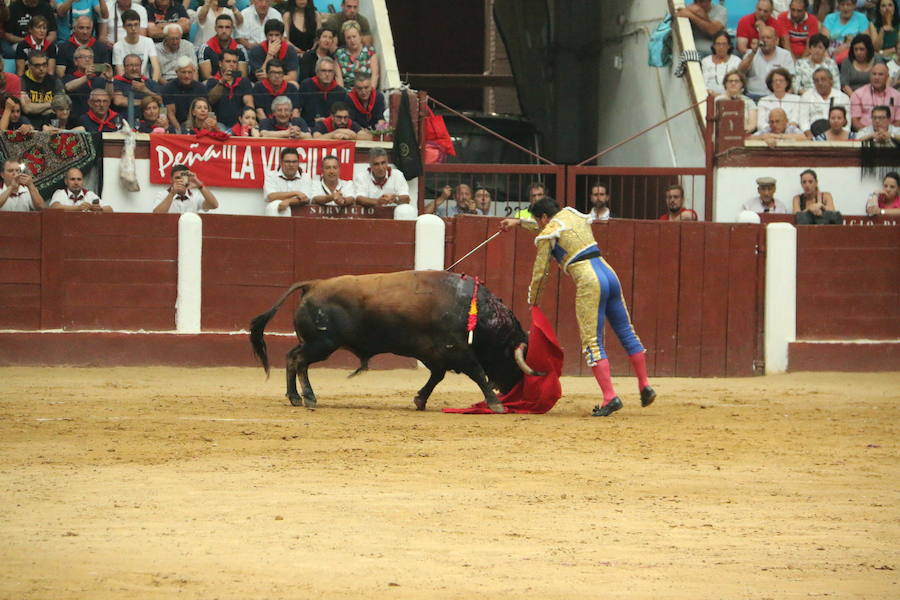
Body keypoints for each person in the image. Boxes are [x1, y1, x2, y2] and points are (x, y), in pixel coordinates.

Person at [525, 197, 655, 417]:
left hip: (589, 280)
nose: (538, 226)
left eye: (538, 221)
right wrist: (517, 223)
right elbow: (551, 229)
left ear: (544, 218)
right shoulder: (572, 214)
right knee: (626, 331)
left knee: (592, 342)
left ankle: (609, 397)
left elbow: (540, 273)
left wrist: (533, 300)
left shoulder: (548, 232)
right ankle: (644, 385)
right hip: (608, 273)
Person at [739, 25, 795, 101]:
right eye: (762, 38)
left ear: (776, 40)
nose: (765, 40)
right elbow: (740, 71)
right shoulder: (751, 54)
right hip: (753, 96)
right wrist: (753, 53)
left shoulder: (785, 55)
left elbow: (790, 80)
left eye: (768, 38)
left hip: (776, 97)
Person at [206, 48, 253, 128]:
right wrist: (222, 81)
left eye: (234, 62)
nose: (232, 64)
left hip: (240, 125)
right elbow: (210, 100)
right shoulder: (212, 81)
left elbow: (249, 105)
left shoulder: (243, 81)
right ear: (220, 63)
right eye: (228, 61)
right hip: (218, 125)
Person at [799, 66, 851, 135]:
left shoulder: (843, 97)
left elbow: (846, 123)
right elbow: (803, 120)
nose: (820, 83)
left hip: (837, 136)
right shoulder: (807, 96)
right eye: (816, 81)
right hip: (813, 135)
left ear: (831, 81)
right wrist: (810, 137)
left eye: (823, 79)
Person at [20, 51, 65, 129]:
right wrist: (51, 104)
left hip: (51, 122)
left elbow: (61, 106)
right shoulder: (22, 81)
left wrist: (36, 107)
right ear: (29, 66)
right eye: (37, 65)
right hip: (29, 123)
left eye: (44, 65)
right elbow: (27, 109)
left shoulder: (55, 81)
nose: (41, 68)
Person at [112, 9, 160, 80]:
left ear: (140, 25)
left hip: (145, 82)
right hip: (126, 84)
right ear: (124, 27)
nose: (133, 28)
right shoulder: (117, 46)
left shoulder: (148, 41)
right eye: (129, 25)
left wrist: (153, 84)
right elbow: (120, 72)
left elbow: (156, 68)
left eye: (136, 24)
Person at [62, 46, 111, 116]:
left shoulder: (99, 79)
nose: (87, 60)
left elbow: (109, 96)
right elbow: (68, 87)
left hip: (97, 117)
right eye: (83, 57)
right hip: (76, 116)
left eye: (90, 57)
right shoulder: (69, 77)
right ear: (75, 61)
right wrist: (86, 77)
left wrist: (110, 80)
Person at [198, 14, 249, 80]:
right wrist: (223, 81)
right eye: (220, 27)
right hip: (214, 86)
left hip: (234, 86)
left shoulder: (240, 49)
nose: (224, 31)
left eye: (227, 27)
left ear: (232, 29)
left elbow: (243, 76)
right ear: (215, 28)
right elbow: (207, 77)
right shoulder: (206, 48)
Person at [112, 53, 162, 119]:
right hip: (124, 120)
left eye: (137, 65)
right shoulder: (117, 81)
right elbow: (119, 101)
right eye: (130, 65)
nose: (134, 68)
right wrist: (146, 102)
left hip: (148, 121)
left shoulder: (151, 83)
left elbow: (159, 101)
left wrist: (145, 90)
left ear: (141, 66)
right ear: (124, 67)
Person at [162, 57, 207, 132]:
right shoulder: (169, 88)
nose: (187, 76)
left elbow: (205, 111)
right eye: (183, 72)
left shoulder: (201, 88)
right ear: (177, 72)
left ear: (194, 72)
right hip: (176, 125)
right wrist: (180, 132)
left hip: (197, 126)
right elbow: (171, 113)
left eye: (190, 72)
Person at [850, 62, 900, 129]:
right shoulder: (858, 94)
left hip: (890, 136)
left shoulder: (897, 95)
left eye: (880, 74)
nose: (876, 77)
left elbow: (898, 121)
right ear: (870, 76)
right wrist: (870, 134)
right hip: (865, 135)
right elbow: (855, 122)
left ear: (887, 77)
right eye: (874, 74)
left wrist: (887, 133)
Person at [298, 56, 347, 124]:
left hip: (332, 128)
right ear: (317, 72)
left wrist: (327, 121)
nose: (327, 74)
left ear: (334, 73)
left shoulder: (340, 92)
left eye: (330, 71)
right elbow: (297, 110)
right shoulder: (306, 85)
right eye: (323, 71)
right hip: (308, 127)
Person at [263, 147, 310, 215]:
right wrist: (295, 193)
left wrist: (289, 201)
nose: (291, 165)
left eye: (294, 162)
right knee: (274, 204)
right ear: (281, 162)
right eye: (288, 162)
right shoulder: (271, 175)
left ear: (298, 162)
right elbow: (271, 197)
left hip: (298, 216)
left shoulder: (305, 176)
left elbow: (305, 199)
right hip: (276, 215)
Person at [153, 164, 218, 213]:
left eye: (183, 178)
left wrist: (199, 185)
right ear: (171, 180)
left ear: (188, 179)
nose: (180, 180)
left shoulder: (195, 196)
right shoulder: (162, 195)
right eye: (177, 178)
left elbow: (214, 205)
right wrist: (172, 194)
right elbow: (157, 214)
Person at [333, 20, 377, 89]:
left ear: (360, 36)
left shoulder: (370, 51)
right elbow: (338, 78)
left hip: (367, 91)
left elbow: (375, 75)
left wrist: (370, 93)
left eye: (354, 36)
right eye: (348, 38)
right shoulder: (339, 54)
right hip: (347, 94)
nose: (352, 40)